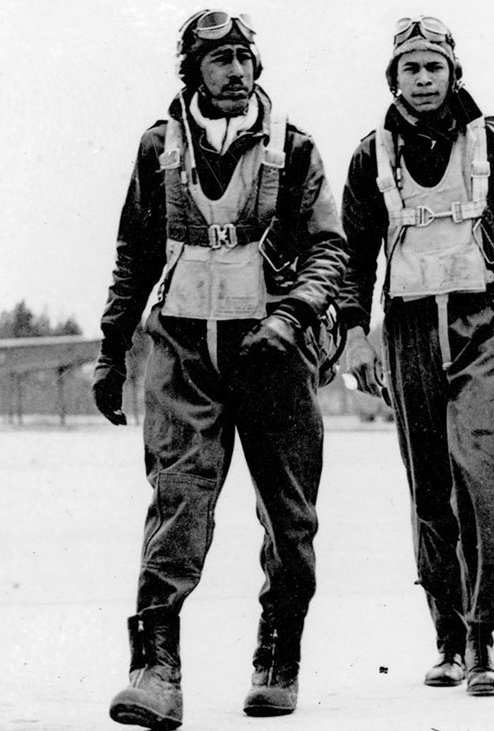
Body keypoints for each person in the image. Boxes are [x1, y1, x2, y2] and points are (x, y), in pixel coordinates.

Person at [92, 9, 348, 728]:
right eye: (218, 61)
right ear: (193, 73)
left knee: (291, 520)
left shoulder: (293, 150)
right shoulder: (158, 149)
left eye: (243, 57)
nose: (235, 72)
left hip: (273, 356)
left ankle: (279, 654)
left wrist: (290, 314)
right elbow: (134, 255)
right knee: (178, 500)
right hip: (181, 354)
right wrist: (112, 351)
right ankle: (154, 668)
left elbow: (330, 250)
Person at [338, 16, 494, 697]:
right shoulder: (370, 154)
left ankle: (482, 635)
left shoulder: (493, 142)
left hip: (488, 323)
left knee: (484, 469)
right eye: (410, 68)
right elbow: (352, 254)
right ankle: (445, 630)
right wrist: (354, 331)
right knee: (429, 482)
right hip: (410, 329)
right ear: (394, 78)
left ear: (453, 73)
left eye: (433, 67)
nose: (422, 79)